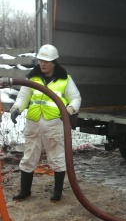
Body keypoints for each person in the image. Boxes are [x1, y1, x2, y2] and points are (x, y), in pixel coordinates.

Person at [10, 44, 81, 202]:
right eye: (41, 60)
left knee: (57, 158)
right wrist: (17, 109)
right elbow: (23, 97)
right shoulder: (32, 78)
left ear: (54, 62)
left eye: (46, 61)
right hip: (33, 123)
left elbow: (76, 98)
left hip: (54, 124)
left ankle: (57, 193)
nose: (42, 64)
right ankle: (25, 191)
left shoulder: (65, 79)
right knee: (29, 157)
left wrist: (69, 110)